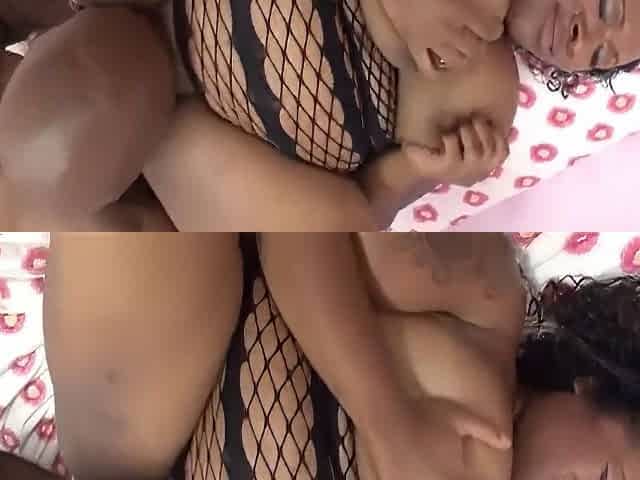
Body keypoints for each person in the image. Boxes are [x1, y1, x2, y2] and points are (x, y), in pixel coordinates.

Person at [41, 233, 640, 480]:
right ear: (592, 385)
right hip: (143, 420)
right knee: (119, 185)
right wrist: (388, 416)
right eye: (607, 477)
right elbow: (300, 225)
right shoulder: (486, 304)